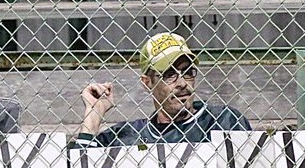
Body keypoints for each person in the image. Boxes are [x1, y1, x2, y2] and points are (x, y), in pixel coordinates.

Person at [71, 32, 250, 148]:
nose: (182, 82)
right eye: (169, 74)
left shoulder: (223, 121)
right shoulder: (129, 137)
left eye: (187, 72)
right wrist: (94, 115)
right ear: (147, 82)